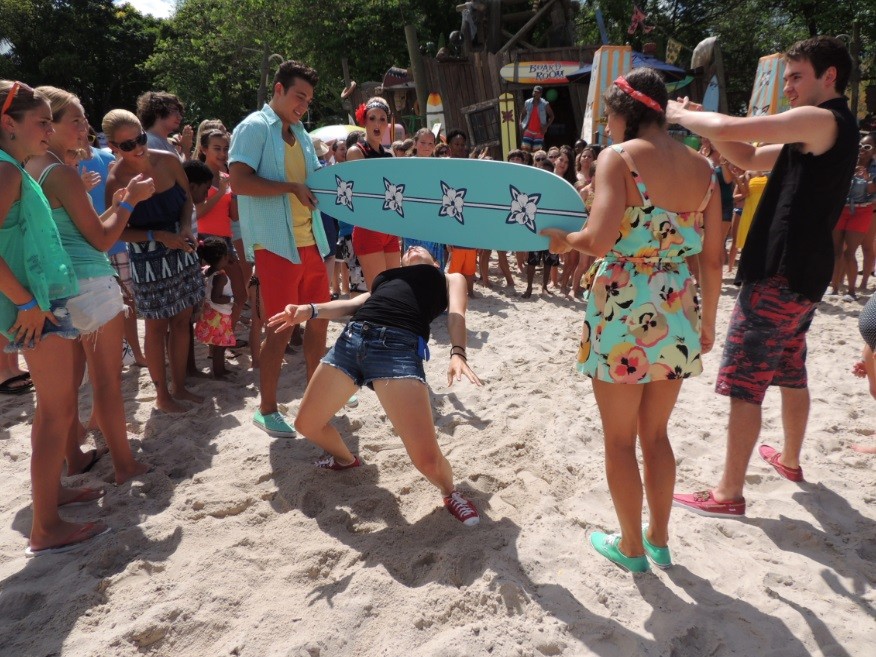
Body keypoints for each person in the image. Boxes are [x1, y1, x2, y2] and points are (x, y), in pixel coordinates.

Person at [668, 36, 858, 517]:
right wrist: (707, 130)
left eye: (796, 76)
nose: (788, 87)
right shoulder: (821, 132)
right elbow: (748, 157)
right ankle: (790, 460)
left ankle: (728, 493)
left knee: (745, 383)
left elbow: (736, 126)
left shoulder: (822, 119)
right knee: (791, 369)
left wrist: (680, 114)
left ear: (829, 76)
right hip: (803, 274)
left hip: (780, 271)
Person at [543, 68, 723, 572]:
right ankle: (659, 540)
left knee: (619, 440)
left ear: (626, 112)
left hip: (623, 305)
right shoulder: (704, 169)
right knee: (657, 436)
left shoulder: (617, 158)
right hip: (677, 307)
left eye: (609, 114)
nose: (607, 125)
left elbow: (598, 240)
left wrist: (565, 239)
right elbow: (712, 260)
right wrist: (707, 323)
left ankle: (630, 547)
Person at [267, 245, 483, 526]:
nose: (413, 248)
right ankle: (345, 460)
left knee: (426, 460)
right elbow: (353, 305)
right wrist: (310, 310)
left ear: (436, 260)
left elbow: (457, 313)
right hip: (351, 340)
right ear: (402, 261)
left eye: (421, 248)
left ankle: (450, 492)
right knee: (307, 424)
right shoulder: (387, 277)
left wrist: (458, 352)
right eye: (407, 250)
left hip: (397, 349)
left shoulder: (449, 278)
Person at [0, 81, 109, 555]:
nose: (48, 130)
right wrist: (25, 303)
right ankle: (46, 526)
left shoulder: (15, 168)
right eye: (41, 122)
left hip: (40, 302)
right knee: (56, 413)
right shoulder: (6, 172)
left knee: (54, 410)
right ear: (9, 124)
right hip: (33, 308)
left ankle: (52, 498)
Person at [27, 85, 154, 485]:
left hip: (54, 287)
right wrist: (129, 201)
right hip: (90, 283)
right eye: (74, 120)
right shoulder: (59, 172)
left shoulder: (28, 168)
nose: (84, 127)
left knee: (60, 395)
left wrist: (112, 205)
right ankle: (124, 464)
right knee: (106, 383)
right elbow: (100, 240)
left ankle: (74, 457)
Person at [229, 60, 333, 437]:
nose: (303, 104)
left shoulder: (301, 132)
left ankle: (315, 395)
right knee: (280, 331)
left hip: (311, 241)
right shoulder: (254, 127)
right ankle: (266, 409)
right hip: (275, 246)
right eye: (298, 96)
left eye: (308, 99)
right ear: (277, 89)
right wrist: (291, 188)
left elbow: (316, 180)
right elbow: (238, 182)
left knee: (320, 322)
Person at [104, 109, 205, 414]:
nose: (137, 147)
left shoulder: (170, 159)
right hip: (147, 258)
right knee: (156, 327)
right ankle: (162, 396)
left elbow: (187, 198)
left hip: (181, 248)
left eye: (140, 138)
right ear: (112, 147)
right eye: (126, 145)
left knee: (183, 320)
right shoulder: (116, 180)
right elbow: (119, 230)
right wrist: (158, 235)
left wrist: (185, 227)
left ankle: (180, 387)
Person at [196, 128, 247, 339]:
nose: (223, 153)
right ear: (204, 149)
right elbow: (198, 211)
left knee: (240, 294)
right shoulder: (198, 176)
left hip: (225, 241)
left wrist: (233, 192)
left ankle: (223, 338)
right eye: (217, 148)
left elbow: (234, 216)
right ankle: (211, 343)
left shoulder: (227, 177)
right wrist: (220, 192)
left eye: (226, 148)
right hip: (203, 241)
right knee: (202, 298)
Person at [347, 97, 400, 290]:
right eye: (372, 118)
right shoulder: (356, 151)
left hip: (389, 228)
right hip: (368, 227)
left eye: (382, 119)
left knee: (394, 288)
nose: (377, 123)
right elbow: (361, 193)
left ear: (387, 123)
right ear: (364, 121)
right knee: (379, 291)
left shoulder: (388, 155)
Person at [828, 135, 874, 300]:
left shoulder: (874, 169)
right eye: (861, 146)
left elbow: (871, 191)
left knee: (851, 252)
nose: (862, 149)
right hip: (842, 209)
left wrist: (867, 178)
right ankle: (834, 288)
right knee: (836, 251)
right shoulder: (848, 163)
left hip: (862, 211)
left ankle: (852, 291)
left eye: (867, 147)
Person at [195, 237, 235, 378]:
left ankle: (221, 370)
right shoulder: (221, 277)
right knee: (220, 346)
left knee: (218, 345)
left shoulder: (207, 270)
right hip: (219, 314)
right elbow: (215, 297)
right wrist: (230, 299)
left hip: (212, 312)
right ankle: (218, 372)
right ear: (223, 257)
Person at [136, 91, 192, 159]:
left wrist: (185, 148)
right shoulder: (150, 142)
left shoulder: (165, 143)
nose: (180, 117)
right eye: (174, 110)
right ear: (158, 111)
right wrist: (185, 148)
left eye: (179, 112)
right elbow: (180, 169)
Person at [519, 86, 554, 152]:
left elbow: (552, 116)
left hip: (539, 132)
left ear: (541, 94)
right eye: (535, 92)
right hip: (528, 130)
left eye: (538, 93)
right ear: (533, 92)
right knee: (525, 151)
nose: (536, 94)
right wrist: (520, 123)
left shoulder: (545, 104)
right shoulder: (527, 102)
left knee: (537, 151)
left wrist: (546, 126)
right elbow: (522, 113)